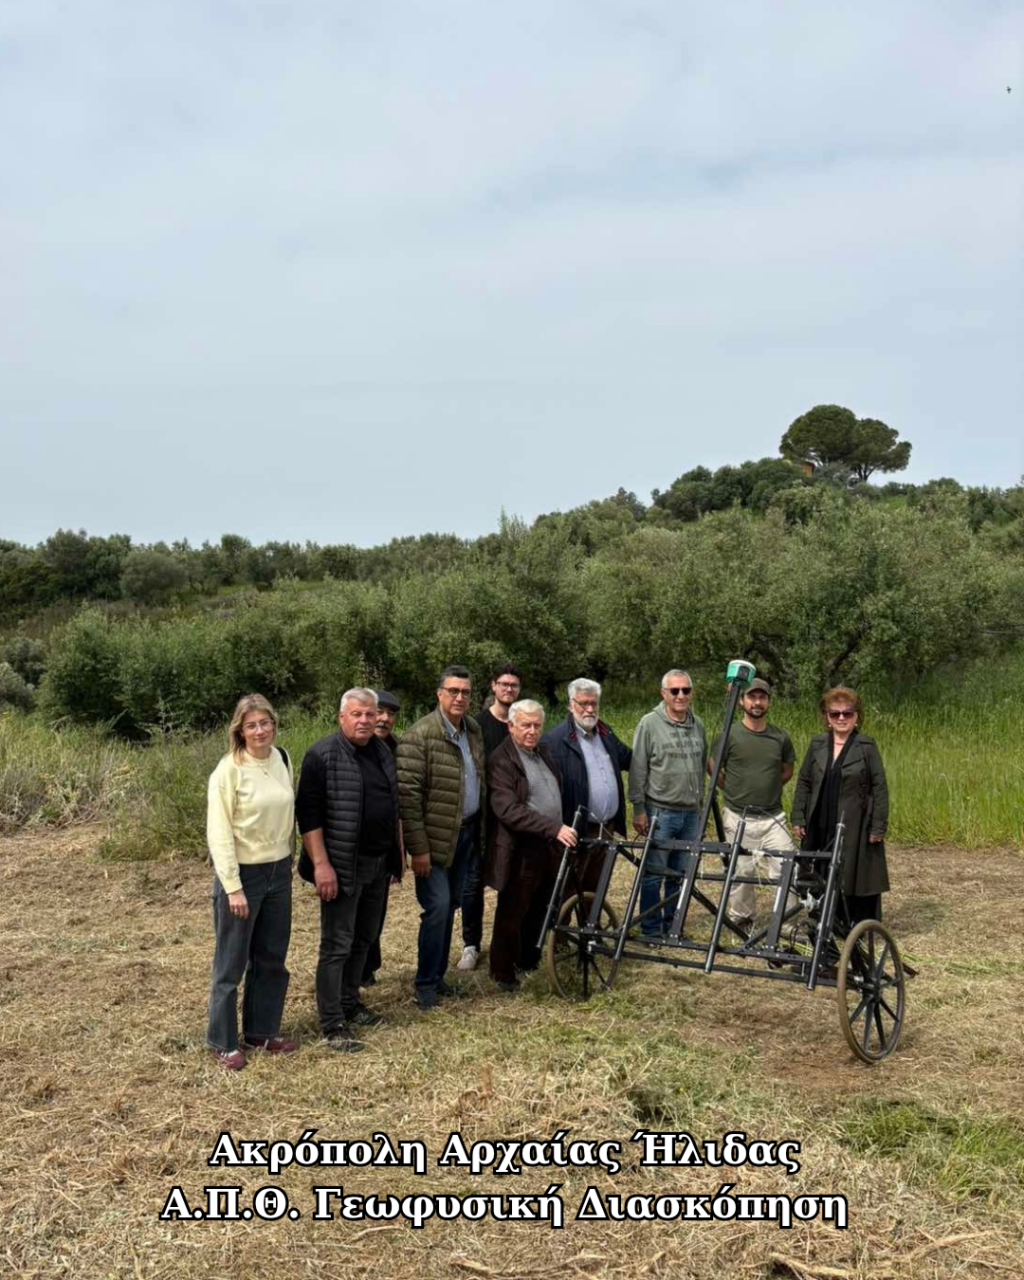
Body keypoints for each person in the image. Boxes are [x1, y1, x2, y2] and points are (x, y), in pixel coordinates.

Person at [296, 689, 402, 1052]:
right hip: (341, 865)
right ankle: (331, 1022)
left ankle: (350, 1001)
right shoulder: (321, 755)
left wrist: (394, 859)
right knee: (337, 944)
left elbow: (391, 805)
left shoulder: (383, 751)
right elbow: (308, 816)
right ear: (341, 717)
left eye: (370, 715)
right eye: (356, 714)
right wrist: (322, 865)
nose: (364, 721)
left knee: (363, 939)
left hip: (377, 863)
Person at [206, 694, 296, 1071]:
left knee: (272, 958)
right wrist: (233, 886)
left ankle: (261, 1030)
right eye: (251, 725)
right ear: (239, 731)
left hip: (279, 870)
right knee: (231, 963)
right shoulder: (228, 770)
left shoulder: (282, 758)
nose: (260, 731)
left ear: (274, 724)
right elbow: (219, 832)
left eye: (265, 723)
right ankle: (222, 1041)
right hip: (243, 874)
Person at [397, 665, 486, 1011]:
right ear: (439, 694)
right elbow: (408, 798)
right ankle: (424, 984)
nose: (460, 697)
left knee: (450, 907)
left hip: (465, 834)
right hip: (433, 842)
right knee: (436, 908)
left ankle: (437, 977)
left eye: (465, 692)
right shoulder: (419, 736)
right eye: (453, 691)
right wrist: (418, 849)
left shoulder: (473, 730)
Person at [485, 699, 578, 991]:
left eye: (537, 725)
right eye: (526, 725)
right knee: (513, 911)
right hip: (521, 849)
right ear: (511, 726)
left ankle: (527, 961)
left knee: (541, 907)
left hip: (549, 847)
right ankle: (502, 973)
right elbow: (508, 810)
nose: (532, 730)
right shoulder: (501, 760)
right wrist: (553, 827)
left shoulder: (542, 753)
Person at [791, 686, 890, 925]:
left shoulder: (866, 746)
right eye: (835, 713)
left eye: (848, 713)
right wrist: (798, 816)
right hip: (820, 821)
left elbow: (879, 787)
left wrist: (878, 826)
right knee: (821, 870)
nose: (842, 718)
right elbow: (804, 781)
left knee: (854, 874)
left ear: (857, 716)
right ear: (827, 717)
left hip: (855, 824)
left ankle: (857, 924)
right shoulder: (817, 744)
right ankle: (825, 922)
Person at [709, 678, 797, 932]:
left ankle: (786, 924)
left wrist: (768, 787)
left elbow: (787, 769)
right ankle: (741, 920)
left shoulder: (780, 736)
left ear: (768, 701)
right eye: (752, 697)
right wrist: (732, 790)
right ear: (742, 701)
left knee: (786, 869)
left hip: (773, 817)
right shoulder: (729, 733)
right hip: (738, 816)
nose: (757, 702)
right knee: (741, 872)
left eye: (762, 697)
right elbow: (713, 766)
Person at [628, 669, 708, 937]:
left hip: (690, 814)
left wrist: (701, 810)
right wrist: (639, 808)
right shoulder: (649, 723)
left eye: (686, 690)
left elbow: (700, 769)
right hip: (660, 812)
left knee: (679, 874)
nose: (681, 695)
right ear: (664, 693)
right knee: (653, 873)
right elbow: (638, 768)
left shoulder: (698, 725)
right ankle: (650, 929)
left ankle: (672, 927)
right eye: (675, 691)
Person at [458, 663, 524, 972]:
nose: (509, 689)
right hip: (482, 817)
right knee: (473, 883)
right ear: (493, 687)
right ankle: (471, 944)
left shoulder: (524, 724)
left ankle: (509, 940)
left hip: (514, 817)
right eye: (504, 684)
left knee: (511, 880)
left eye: (514, 685)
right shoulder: (477, 725)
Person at [542, 678, 632, 891]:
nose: (590, 709)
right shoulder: (555, 740)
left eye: (594, 703)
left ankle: (593, 923)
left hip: (606, 829)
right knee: (567, 891)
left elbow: (629, 759)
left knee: (596, 890)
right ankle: (562, 925)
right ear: (571, 704)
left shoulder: (604, 732)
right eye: (584, 703)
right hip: (576, 832)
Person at [361, 690, 403, 988]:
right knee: (355, 917)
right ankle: (357, 971)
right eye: (380, 712)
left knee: (377, 912)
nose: (384, 718)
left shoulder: (397, 749)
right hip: (356, 848)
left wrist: (400, 852)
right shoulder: (353, 746)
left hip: (386, 844)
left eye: (390, 714)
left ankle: (368, 966)